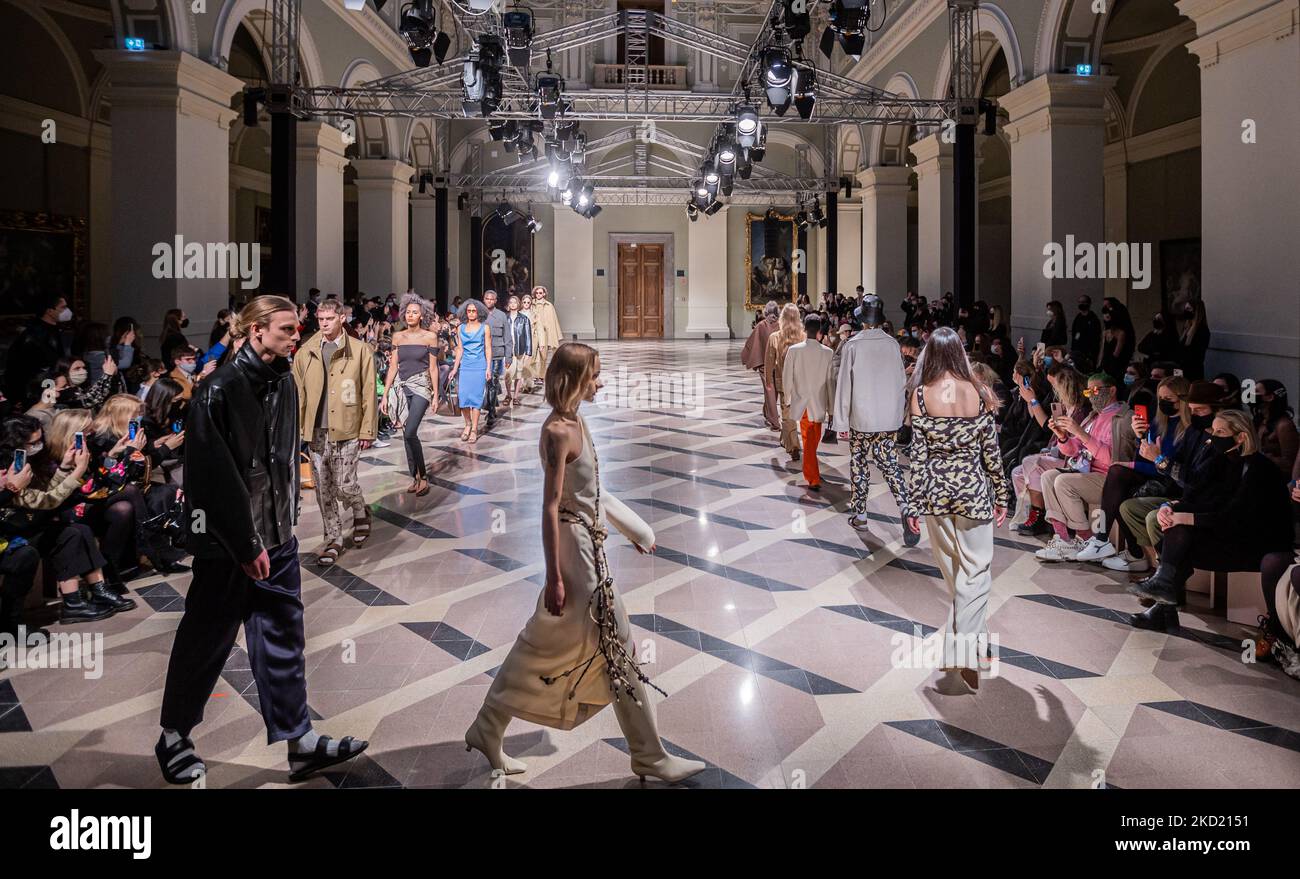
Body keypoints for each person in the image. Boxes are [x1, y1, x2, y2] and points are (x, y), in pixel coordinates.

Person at [463, 343, 706, 784]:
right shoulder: (558, 430)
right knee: (617, 644)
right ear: (574, 380)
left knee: (551, 641)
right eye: (594, 375)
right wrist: (554, 576)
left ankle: (488, 725)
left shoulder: (577, 419)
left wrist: (634, 530)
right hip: (575, 555)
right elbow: (550, 507)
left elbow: (592, 493)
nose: (601, 381)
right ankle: (649, 756)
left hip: (588, 543)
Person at [157, 295, 369, 785]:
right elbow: (214, 477)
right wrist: (245, 543)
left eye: (298, 329)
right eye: (287, 329)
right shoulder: (219, 391)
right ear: (255, 332)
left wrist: (283, 526)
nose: (297, 336)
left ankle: (300, 740)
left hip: (277, 538)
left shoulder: (283, 384)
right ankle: (173, 735)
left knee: (283, 638)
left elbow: (281, 463)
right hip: (230, 546)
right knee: (205, 639)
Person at [904, 328, 1010, 694]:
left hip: (935, 492)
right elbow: (991, 452)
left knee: (954, 571)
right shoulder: (977, 393)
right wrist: (1001, 494)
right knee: (976, 571)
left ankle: (965, 647)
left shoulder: (920, 395)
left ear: (929, 355)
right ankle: (968, 647)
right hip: (972, 491)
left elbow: (918, 456)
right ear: (961, 354)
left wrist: (912, 502)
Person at [1129, 410, 1292, 625]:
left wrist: (1185, 517)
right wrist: (1169, 507)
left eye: (1221, 431)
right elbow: (1202, 497)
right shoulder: (1223, 460)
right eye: (1213, 430)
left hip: (1257, 543)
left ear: (1241, 436)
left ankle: (1164, 598)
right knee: (1176, 531)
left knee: (1181, 536)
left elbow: (1234, 516)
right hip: (1228, 533)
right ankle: (1164, 593)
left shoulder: (1260, 469)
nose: (1214, 436)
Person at [292, 298, 377, 567]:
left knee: (345, 484)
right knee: (324, 488)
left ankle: (359, 507)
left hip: (348, 426)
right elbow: (298, 393)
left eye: (329, 318)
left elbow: (369, 392)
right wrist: (298, 431)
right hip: (316, 430)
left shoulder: (361, 351)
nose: (324, 323)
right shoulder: (306, 352)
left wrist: (368, 429)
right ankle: (333, 538)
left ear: (342, 318)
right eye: (321, 319)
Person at [833, 295, 917, 545]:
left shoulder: (853, 345)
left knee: (859, 464)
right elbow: (898, 380)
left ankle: (860, 515)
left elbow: (844, 384)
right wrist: (897, 414)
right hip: (886, 418)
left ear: (862, 319)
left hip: (861, 417)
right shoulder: (892, 344)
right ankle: (906, 508)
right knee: (891, 465)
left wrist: (840, 421)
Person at [1034, 373, 1127, 562]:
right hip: (1087, 471)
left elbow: (1112, 460)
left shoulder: (1122, 417)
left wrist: (1080, 433)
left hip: (1109, 479)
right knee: (1048, 476)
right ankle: (1062, 538)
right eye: (1088, 391)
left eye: (1095, 390)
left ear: (1112, 390)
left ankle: (1085, 538)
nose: (1091, 395)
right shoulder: (1094, 416)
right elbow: (1072, 451)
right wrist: (1062, 436)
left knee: (1063, 481)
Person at [382, 294, 439, 495]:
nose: (411, 315)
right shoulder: (398, 336)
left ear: (422, 315)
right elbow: (392, 367)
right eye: (408, 312)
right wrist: (385, 393)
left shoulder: (430, 337)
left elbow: (433, 368)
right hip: (401, 387)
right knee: (406, 435)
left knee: (410, 431)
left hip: (421, 387)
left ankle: (423, 477)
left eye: (415, 312)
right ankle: (414, 476)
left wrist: (435, 395)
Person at [782, 314, 835, 491]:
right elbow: (830, 382)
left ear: (804, 329)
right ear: (819, 331)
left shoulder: (795, 350)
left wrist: (787, 398)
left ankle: (812, 472)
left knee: (810, 440)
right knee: (810, 439)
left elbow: (787, 376)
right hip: (819, 402)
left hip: (802, 401)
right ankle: (813, 478)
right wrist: (832, 408)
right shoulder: (827, 353)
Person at [4, 293, 70, 402]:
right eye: (63, 307)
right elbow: (26, 368)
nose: (67, 311)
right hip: (38, 389)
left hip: (50, 384)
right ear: (49, 311)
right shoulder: (35, 334)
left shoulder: (54, 330)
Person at [765, 303, 805, 462]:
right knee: (793, 414)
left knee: (787, 414)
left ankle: (793, 445)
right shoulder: (803, 336)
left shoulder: (775, 337)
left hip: (783, 382)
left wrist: (768, 380)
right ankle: (785, 439)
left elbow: (769, 361)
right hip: (802, 382)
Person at [454, 301, 491, 445]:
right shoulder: (460, 328)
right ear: (465, 312)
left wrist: (488, 368)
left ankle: (474, 429)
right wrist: (455, 368)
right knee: (463, 399)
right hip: (466, 366)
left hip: (479, 365)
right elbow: (460, 349)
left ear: (479, 312)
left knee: (475, 399)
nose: (471, 313)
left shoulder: (485, 328)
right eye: (468, 311)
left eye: (473, 311)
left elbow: (488, 348)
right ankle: (467, 424)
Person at [742, 300, 781, 431]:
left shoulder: (761, 326)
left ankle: (773, 420)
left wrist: (747, 357)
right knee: (773, 392)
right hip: (778, 365)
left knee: (769, 391)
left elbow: (751, 344)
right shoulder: (781, 325)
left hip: (765, 365)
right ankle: (771, 416)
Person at [480, 290, 513, 422]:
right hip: (481, 353)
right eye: (486, 298)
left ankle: (492, 410)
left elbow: (507, 336)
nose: (489, 301)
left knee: (493, 381)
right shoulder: (478, 313)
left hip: (497, 354)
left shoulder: (501, 315)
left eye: (491, 299)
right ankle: (488, 405)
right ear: (483, 299)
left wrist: (508, 356)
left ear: (495, 300)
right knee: (484, 382)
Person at [1253, 379, 1297, 476]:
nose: (1251, 395)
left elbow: (1290, 464)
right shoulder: (1260, 420)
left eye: (1256, 391)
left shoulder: (1284, 425)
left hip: (1277, 480)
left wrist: (1265, 458)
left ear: (1270, 397)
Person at [528, 285, 563, 391]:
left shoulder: (549, 306)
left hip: (545, 333)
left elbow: (553, 321)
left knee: (543, 356)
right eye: (537, 293)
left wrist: (555, 336)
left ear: (544, 294)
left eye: (540, 293)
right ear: (534, 294)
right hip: (533, 333)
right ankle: (533, 376)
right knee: (533, 355)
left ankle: (541, 376)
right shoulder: (531, 304)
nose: (539, 294)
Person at [504, 294, 533, 408]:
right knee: (507, 374)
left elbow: (528, 336)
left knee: (518, 373)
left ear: (518, 304)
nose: (513, 304)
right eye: (511, 302)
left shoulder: (524, 319)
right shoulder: (504, 318)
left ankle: (515, 397)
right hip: (508, 349)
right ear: (508, 305)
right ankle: (508, 394)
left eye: (515, 302)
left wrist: (528, 352)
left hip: (520, 349)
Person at [1178, 299, 1210, 380]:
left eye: (1189, 309)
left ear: (1196, 312)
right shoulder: (1186, 329)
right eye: (1185, 308)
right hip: (1181, 369)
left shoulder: (1202, 331)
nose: (1186, 311)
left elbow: (1197, 355)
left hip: (1193, 371)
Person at [1071, 295, 1102, 367]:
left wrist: (1091, 355)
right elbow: (1074, 334)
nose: (1081, 304)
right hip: (1077, 351)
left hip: (1089, 352)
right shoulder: (1078, 317)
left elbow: (1096, 338)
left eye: (1083, 302)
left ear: (1089, 304)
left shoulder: (1093, 319)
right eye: (1079, 302)